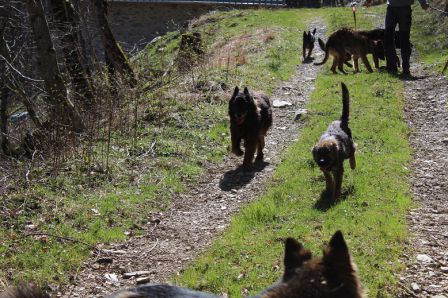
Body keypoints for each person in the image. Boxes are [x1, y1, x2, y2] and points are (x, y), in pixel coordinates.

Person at [384, 0, 429, 76]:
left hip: (403, 9)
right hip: (393, 8)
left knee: (403, 38)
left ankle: (404, 68)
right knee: (389, 37)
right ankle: (392, 67)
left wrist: (423, 3)